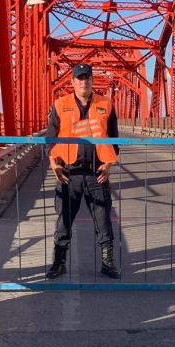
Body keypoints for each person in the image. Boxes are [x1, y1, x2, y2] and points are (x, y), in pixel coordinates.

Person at [45, 63, 121, 279]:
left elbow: (114, 139)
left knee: (103, 221)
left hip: (97, 173)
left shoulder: (106, 104)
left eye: (87, 77)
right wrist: (54, 164)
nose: (84, 81)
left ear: (92, 80)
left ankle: (108, 262)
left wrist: (108, 164)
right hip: (69, 174)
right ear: (72, 82)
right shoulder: (60, 104)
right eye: (80, 78)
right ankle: (59, 263)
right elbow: (50, 139)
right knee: (64, 221)